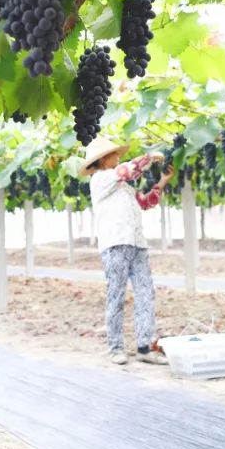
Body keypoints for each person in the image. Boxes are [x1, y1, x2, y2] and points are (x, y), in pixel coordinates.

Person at [79, 136, 174, 366]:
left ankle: (145, 347)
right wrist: (149, 158)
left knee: (145, 294)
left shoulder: (124, 188)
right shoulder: (101, 180)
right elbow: (126, 170)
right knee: (116, 296)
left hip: (137, 245)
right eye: (114, 154)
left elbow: (146, 202)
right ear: (103, 160)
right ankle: (116, 348)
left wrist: (162, 182)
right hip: (115, 245)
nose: (118, 157)